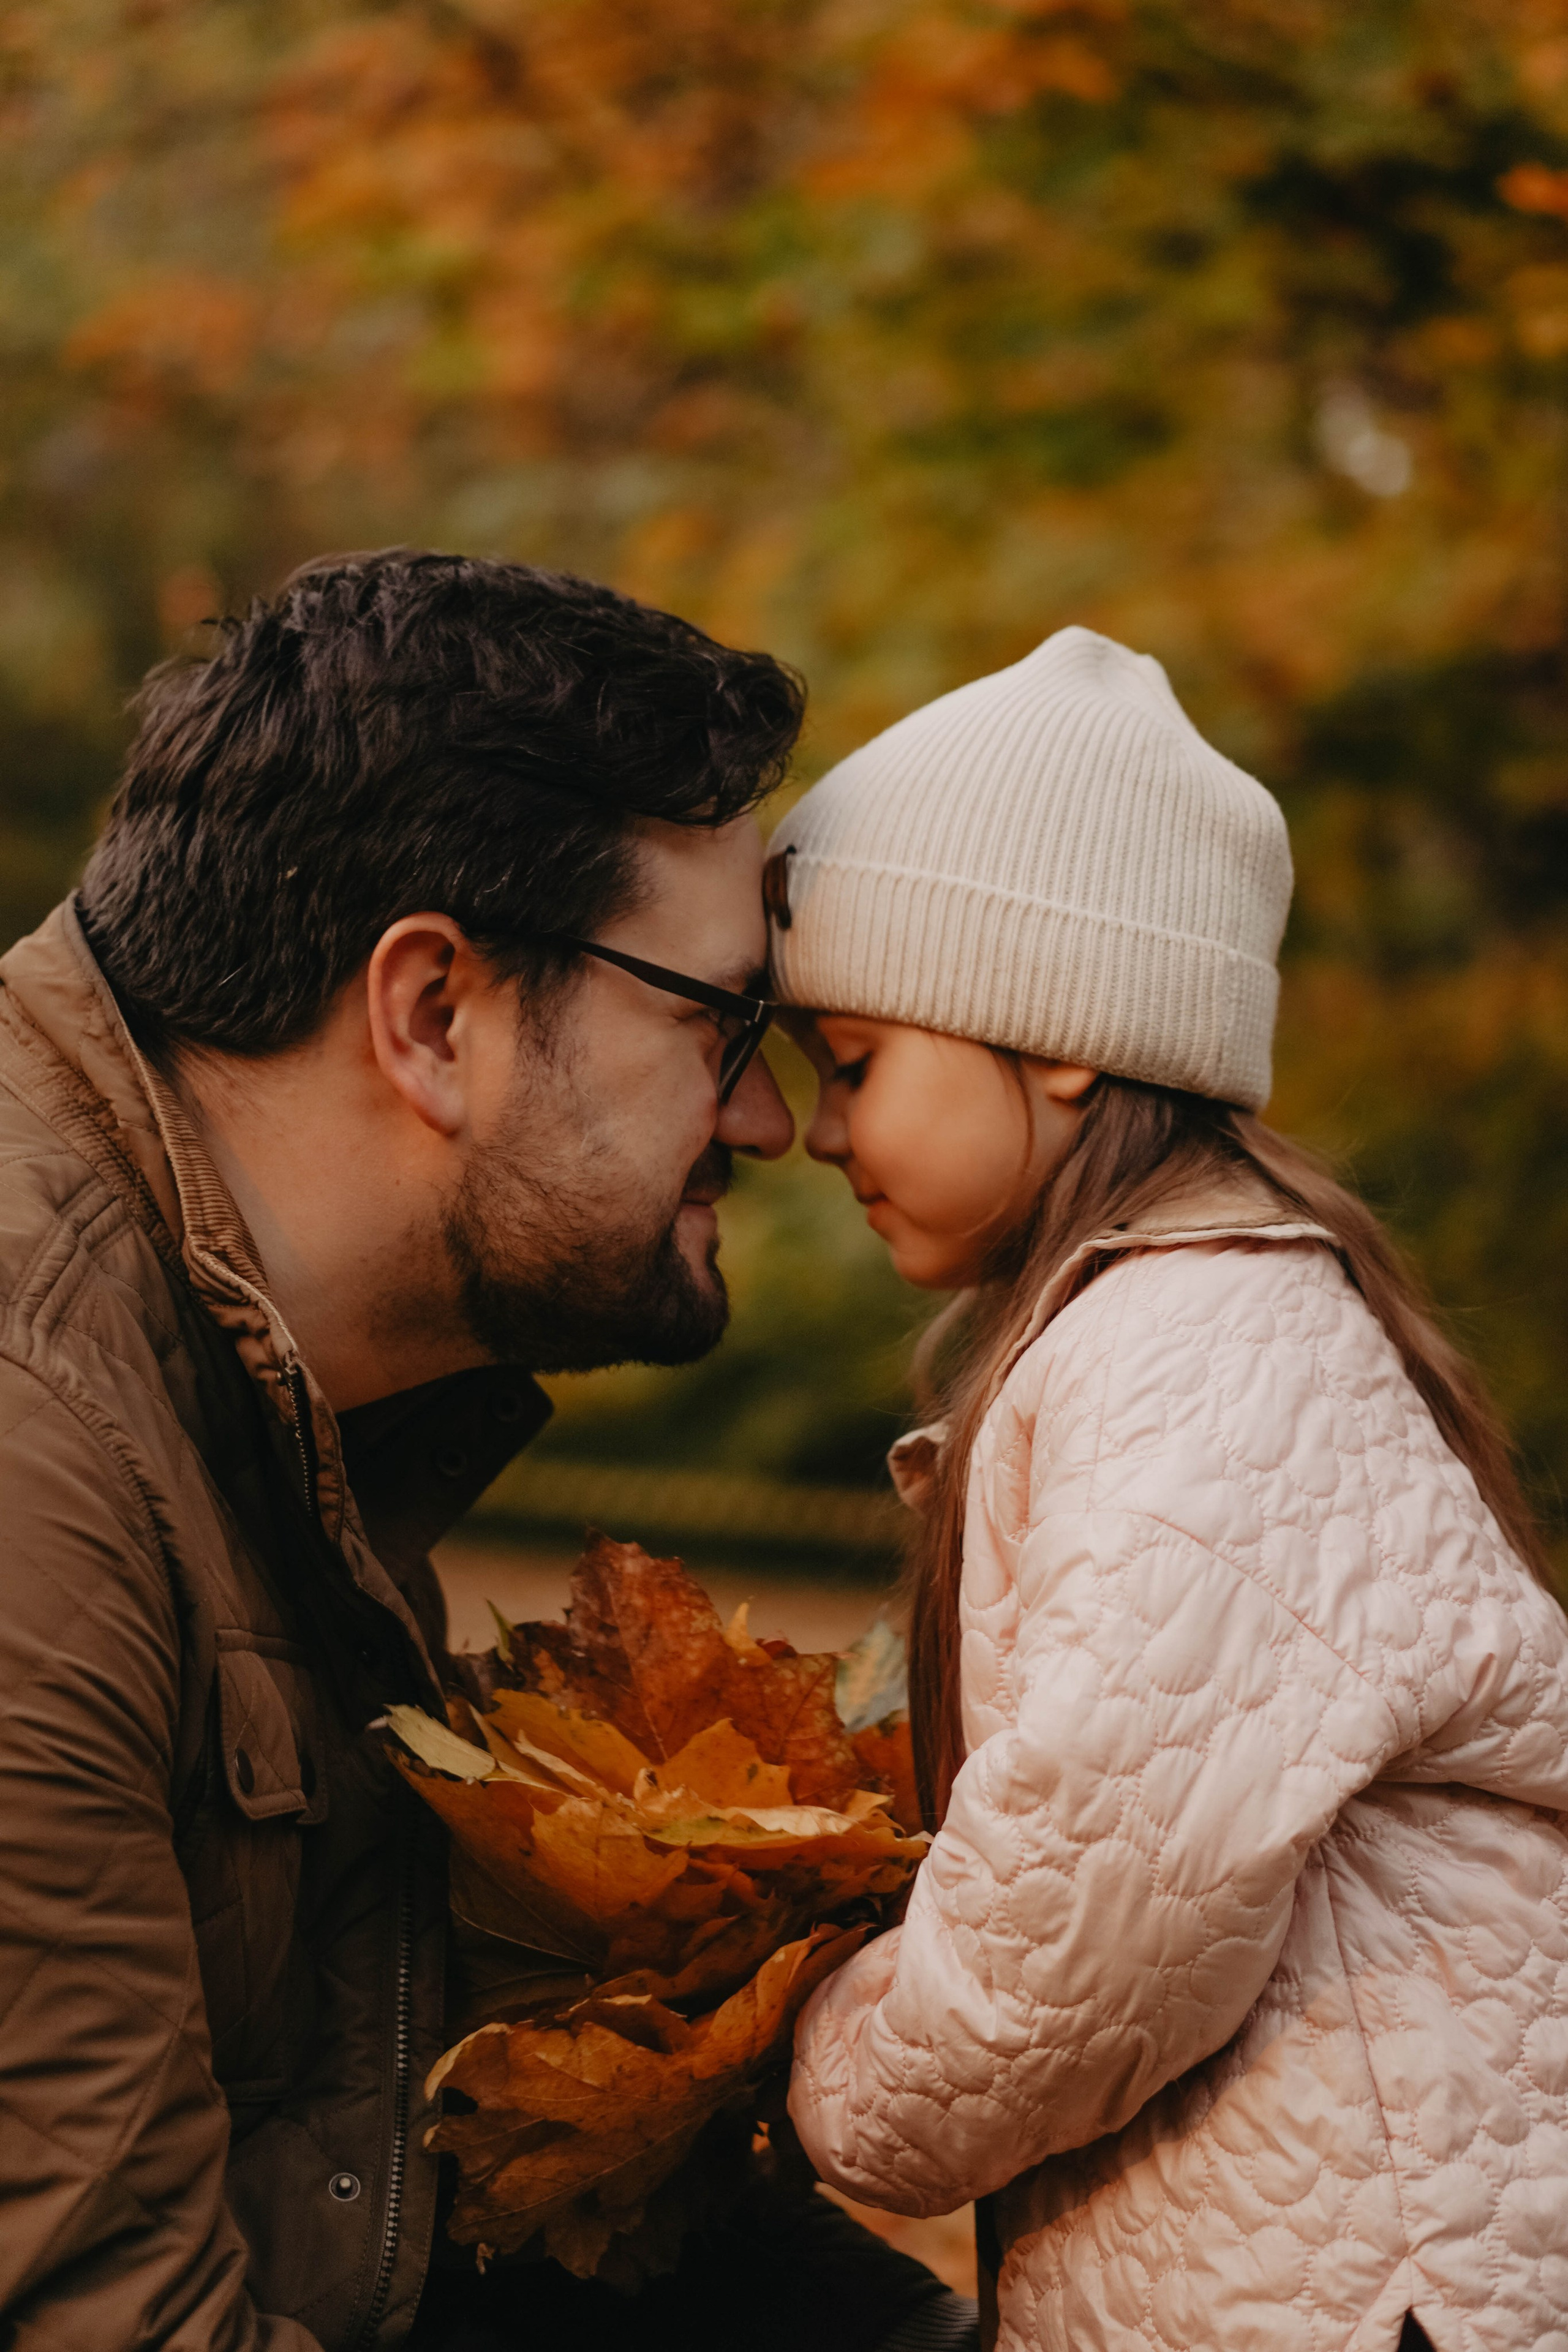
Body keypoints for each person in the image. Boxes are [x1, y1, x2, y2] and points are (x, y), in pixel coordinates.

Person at [0, 549, 971, 2352]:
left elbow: (417, 2170)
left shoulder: (273, 1400)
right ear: (434, 1014)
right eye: (723, 1021)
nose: (769, 1124)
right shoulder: (37, 1454)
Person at [771, 625, 1568, 2351]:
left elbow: (1079, 1925)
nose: (820, 1131)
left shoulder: (1199, 1351)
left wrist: (805, 2051)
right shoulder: (1177, 1332)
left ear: (1057, 1034)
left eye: (853, 1060)